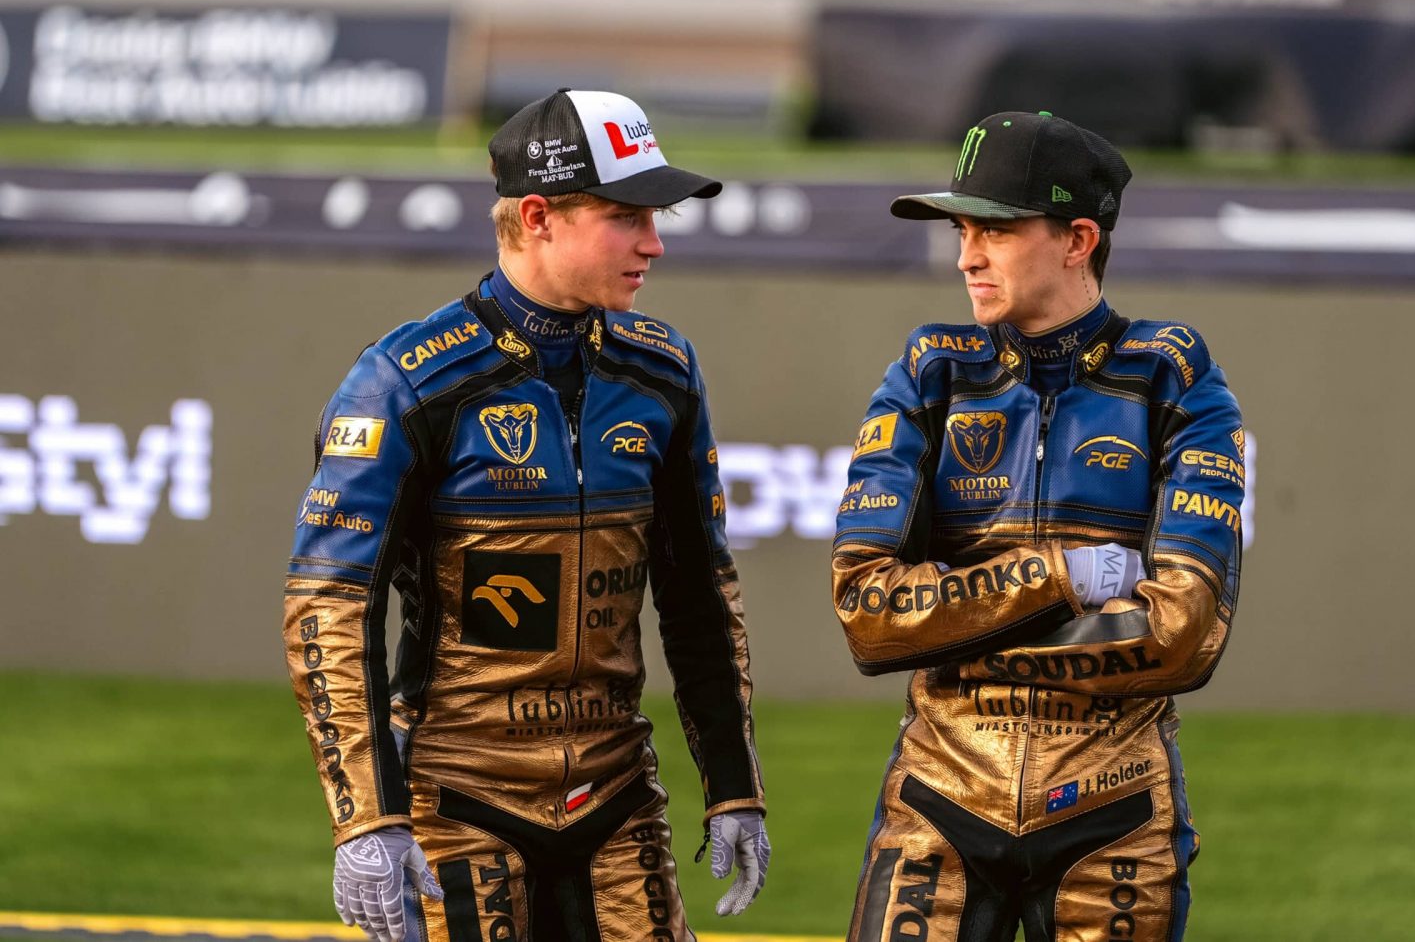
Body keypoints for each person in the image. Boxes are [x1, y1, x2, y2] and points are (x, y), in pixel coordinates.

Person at [283, 89, 770, 942]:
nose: (654, 243)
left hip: (619, 795)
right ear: (538, 217)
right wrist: (368, 818)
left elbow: (698, 592)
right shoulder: (405, 380)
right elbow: (331, 602)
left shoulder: (663, 371)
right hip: (456, 797)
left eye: (655, 218)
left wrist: (733, 784)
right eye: (627, 217)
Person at [832, 111, 1244, 941]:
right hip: (939, 799)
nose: (966, 256)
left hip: (1115, 811)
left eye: (995, 229)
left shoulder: (1174, 376)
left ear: (1077, 239)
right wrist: (1062, 578)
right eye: (961, 230)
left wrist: (960, 634)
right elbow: (869, 615)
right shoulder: (930, 371)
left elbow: (1181, 634)